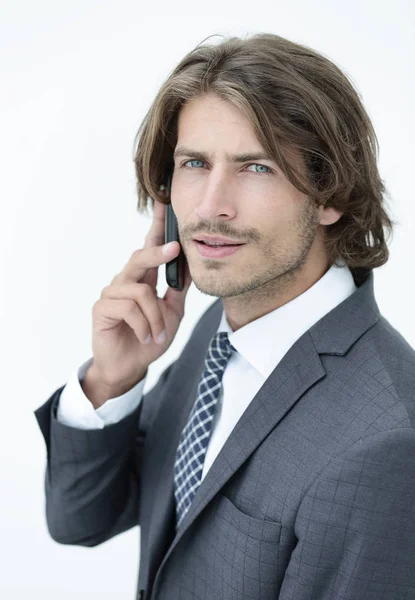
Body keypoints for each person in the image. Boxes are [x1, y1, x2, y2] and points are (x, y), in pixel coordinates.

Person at [34, 32, 415, 600]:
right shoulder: (220, 332)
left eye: (255, 167)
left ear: (331, 194)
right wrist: (113, 381)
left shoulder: (385, 443)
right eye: (194, 163)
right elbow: (81, 520)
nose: (211, 206)